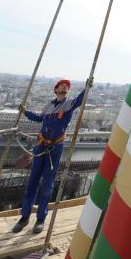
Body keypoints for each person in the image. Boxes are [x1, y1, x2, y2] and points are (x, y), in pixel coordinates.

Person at [12, 78, 88, 234]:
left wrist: (87, 88)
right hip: (41, 145)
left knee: (47, 184)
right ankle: (24, 217)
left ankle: (40, 219)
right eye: (62, 85)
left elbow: (80, 100)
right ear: (56, 89)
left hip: (55, 148)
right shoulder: (48, 106)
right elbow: (39, 118)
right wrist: (25, 111)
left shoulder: (69, 104)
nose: (65, 86)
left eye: (67, 86)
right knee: (32, 181)